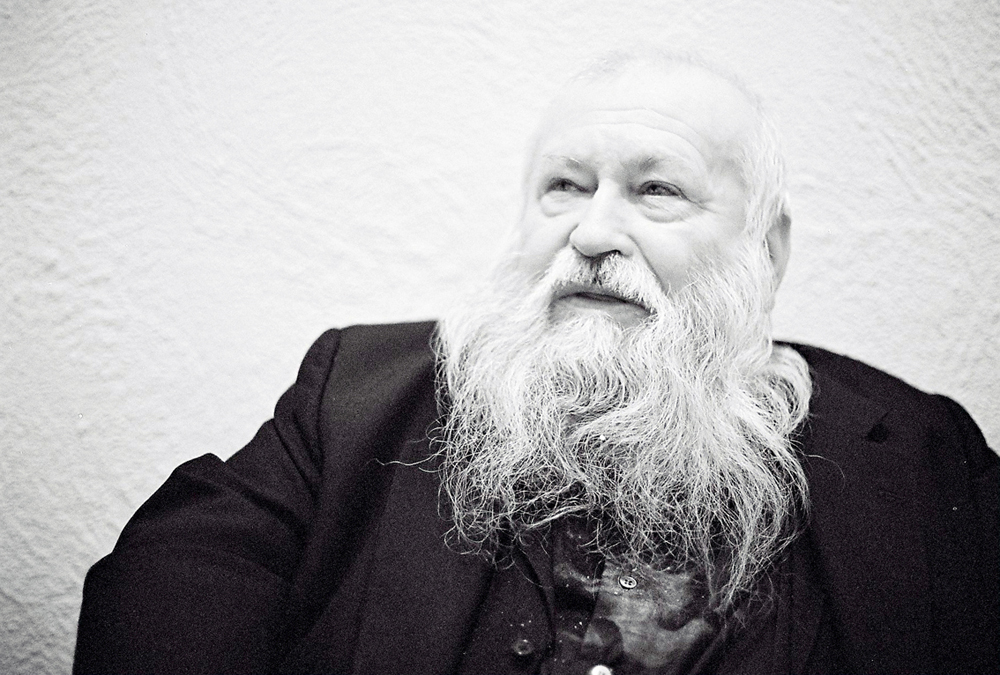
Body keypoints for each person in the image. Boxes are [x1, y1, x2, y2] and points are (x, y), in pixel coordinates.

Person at [74, 52, 998, 674]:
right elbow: (166, 585)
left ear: (768, 251)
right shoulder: (354, 393)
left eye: (657, 190)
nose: (593, 232)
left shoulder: (922, 452)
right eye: (564, 185)